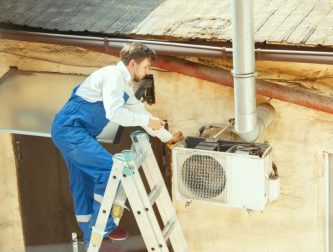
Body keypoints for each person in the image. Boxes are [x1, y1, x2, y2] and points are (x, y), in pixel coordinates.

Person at [51, 42, 184, 247]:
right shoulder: (113, 76)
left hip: (77, 132)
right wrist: (146, 121)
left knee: (82, 180)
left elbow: (140, 113)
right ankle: (102, 227)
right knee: (109, 170)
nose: (147, 71)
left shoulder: (124, 85)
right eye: (146, 66)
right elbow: (115, 113)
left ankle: (91, 236)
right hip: (71, 130)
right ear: (133, 63)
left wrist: (168, 138)